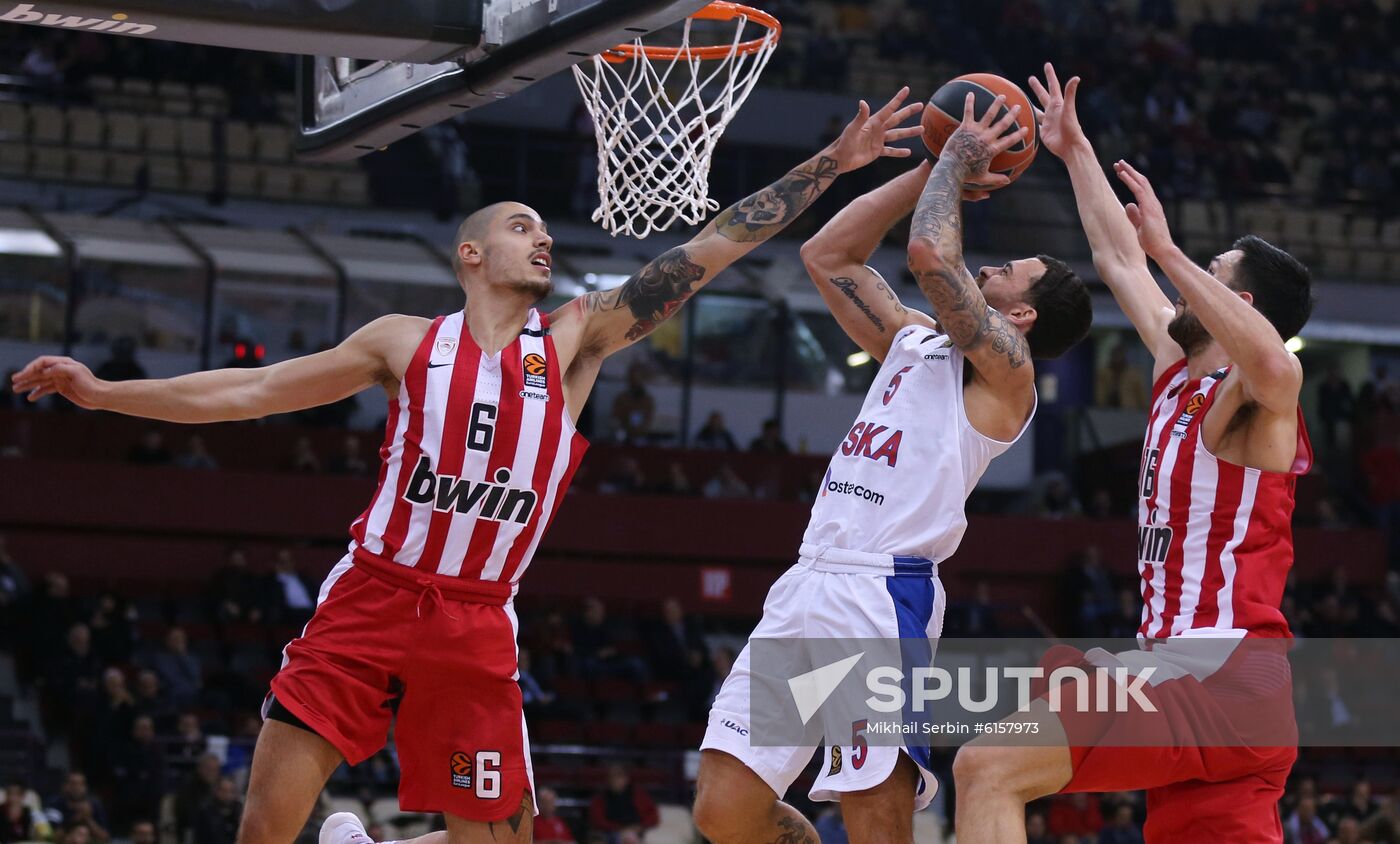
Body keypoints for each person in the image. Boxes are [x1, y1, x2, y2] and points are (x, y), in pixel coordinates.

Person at [13, 88, 922, 844]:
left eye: (545, 231)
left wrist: (831, 166)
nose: (544, 239)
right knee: (264, 825)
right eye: (523, 227)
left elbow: (712, 247)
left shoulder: (573, 341)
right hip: (374, 592)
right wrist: (106, 393)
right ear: (471, 255)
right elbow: (250, 393)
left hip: (478, 623)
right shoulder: (405, 343)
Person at [693, 92, 1092, 844]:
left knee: (874, 819)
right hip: (808, 580)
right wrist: (928, 174)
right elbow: (828, 256)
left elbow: (931, 257)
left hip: (882, 596)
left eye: (1006, 271)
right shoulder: (912, 341)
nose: (990, 267)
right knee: (723, 809)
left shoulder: (1006, 377)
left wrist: (953, 164)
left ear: (1023, 317)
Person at [950, 64, 1314, 844]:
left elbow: (1275, 363)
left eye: (1203, 281)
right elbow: (1120, 259)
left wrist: (1175, 253)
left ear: (1236, 307)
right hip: (1201, 689)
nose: (1177, 290)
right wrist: (1072, 150)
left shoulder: (1253, 404)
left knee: (987, 764)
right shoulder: (1177, 369)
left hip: (1224, 676)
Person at [586, 765, 658, 840]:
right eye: (612, 776)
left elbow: (653, 816)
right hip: (610, 833)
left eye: (619, 776)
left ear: (626, 778)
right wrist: (620, 829)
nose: (615, 780)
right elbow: (597, 821)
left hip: (636, 831)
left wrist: (640, 826)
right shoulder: (600, 798)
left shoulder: (639, 795)